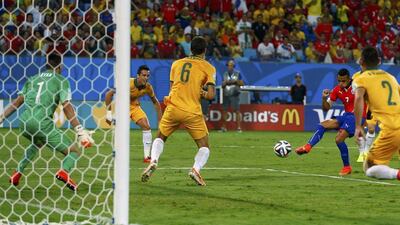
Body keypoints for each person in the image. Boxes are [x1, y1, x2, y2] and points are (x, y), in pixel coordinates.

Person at [0, 53, 95, 191]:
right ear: (60, 66)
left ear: (46, 65)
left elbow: (17, 102)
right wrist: (80, 130)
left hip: (24, 122)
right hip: (42, 123)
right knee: (73, 151)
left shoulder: (32, 79)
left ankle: (17, 173)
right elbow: (66, 105)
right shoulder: (61, 80)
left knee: (38, 142)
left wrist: (2, 117)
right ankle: (64, 172)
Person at [141, 36, 216, 186]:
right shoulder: (208, 67)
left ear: (190, 49)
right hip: (192, 111)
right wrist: (200, 92)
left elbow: (172, 88)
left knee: (161, 136)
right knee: (204, 146)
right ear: (205, 51)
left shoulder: (176, 64)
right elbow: (211, 96)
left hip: (173, 107)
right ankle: (195, 170)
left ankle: (154, 160)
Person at [295, 68, 366, 176]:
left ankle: (347, 167)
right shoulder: (337, 90)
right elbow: (326, 108)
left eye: (343, 81)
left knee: (338, 139)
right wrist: (324, 98)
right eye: (339, 81)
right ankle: (308, 147)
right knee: (323, 125)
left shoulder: (357, 86)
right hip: (347, 116)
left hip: (358, 117)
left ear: (349, 79)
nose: (341, 83)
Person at [353, 46, 400, 181]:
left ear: (361, 61)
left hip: (392, 129)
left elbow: (358, 98)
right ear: (379, 61)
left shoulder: (361, 78)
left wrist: (357, 126)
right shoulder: (390, 77)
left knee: (369, 167)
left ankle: (397, 174)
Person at [105, 65, 162, 163]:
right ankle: (117, 155)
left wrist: (160, 120)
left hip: (135, 107)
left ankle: (147, 156)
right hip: (123, 107)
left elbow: (155, 102)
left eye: (148, 76)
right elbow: (108, 94)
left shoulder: (148, 87)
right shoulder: (127, 83)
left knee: (146, 126)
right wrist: (108, 113)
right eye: (144, 75)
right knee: (120, 131)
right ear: (138, 76)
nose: (146, 78)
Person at [220, 59, 244, 132]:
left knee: (237, 111)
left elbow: (242, 83)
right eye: (229, 65)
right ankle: (224, 127)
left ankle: (239, 128)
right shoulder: (225, 74)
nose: (230, 67)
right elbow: (222, 84)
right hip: (226, 94)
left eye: (231, 65)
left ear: (234, 66)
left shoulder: (238, 73)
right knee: (224, 111)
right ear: (227, 66)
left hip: (234, 94)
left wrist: (235, 81)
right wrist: (226, 82)